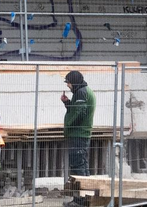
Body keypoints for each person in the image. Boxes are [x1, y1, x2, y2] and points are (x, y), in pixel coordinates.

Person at [61, 70, 97, 206]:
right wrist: (68, 103)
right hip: (80, 134)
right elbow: (78, 109)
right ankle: (83, 199)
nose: (68, 86)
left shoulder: (82, 92)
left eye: (69, 83)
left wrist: (68, 125)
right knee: (81, 166)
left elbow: (79, 113)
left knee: (78, 167)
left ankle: (81, 201)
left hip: (79, 135)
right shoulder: (82, 92)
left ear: (74, 82)